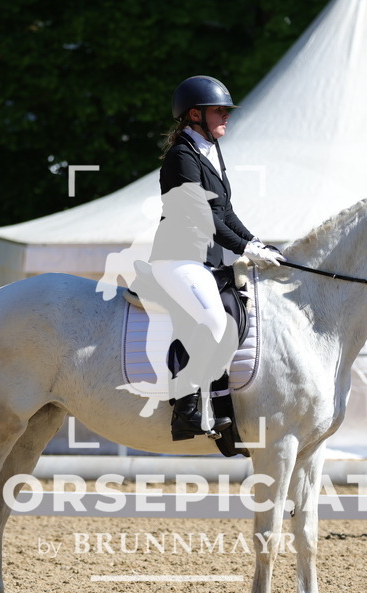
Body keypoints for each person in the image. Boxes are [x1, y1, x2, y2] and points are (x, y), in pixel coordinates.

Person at [151, 74, 284, 440]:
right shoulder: (182, 157)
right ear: (195, 114)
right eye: (219, 111)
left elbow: (225, 212)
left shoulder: (210, 152)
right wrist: (245, 250)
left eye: (226, 110)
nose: (226, 116)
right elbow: (201, 218)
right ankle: (185, 409)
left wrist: (256, 242)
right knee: (213, 320)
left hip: (204, 260)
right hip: (176, 259)